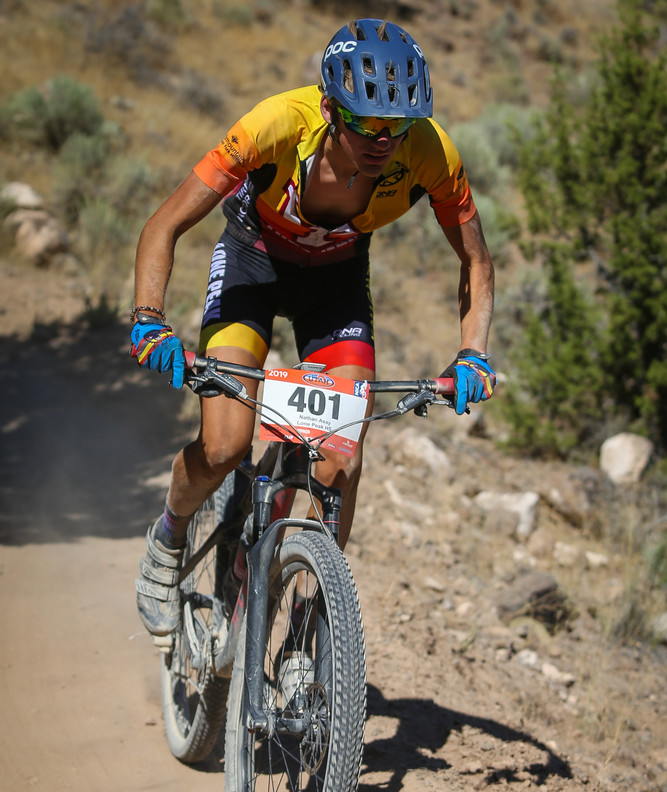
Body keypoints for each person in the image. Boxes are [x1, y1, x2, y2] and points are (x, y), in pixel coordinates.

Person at [130, 17, 495, 636]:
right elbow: (164, 224)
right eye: (367, 124)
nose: (384, 141)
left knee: (341, 459)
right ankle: (167, 541)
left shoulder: (430, 153)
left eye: (399, 125)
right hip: (252, 264)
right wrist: (148, 319)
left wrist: (473, 352)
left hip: (335, 286)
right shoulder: (273, 125)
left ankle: (310, 630)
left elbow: (477, 261)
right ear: (330, 109)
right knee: (223, 447)